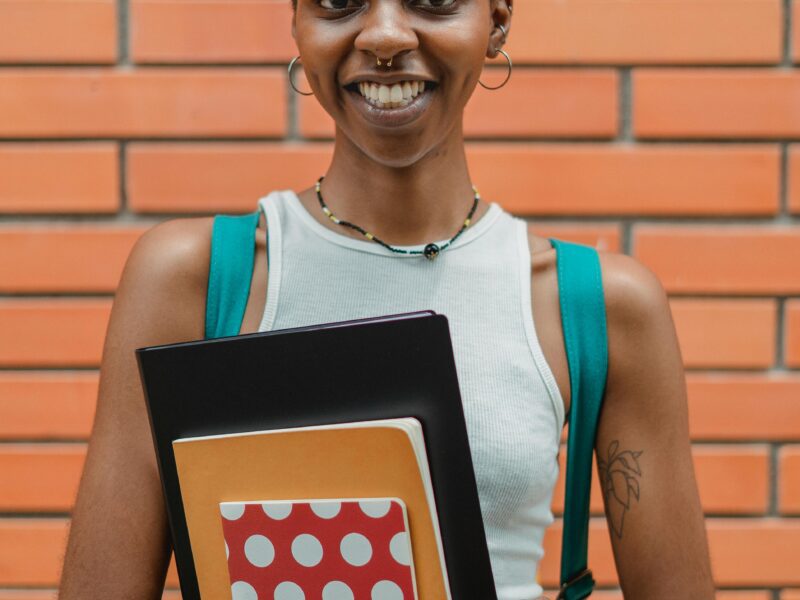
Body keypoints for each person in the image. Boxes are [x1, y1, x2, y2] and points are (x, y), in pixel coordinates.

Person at [58, 1, 715, 598]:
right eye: (338, 2)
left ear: (499, 22)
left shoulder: (595, 306)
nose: (384, 34)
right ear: (296, 24)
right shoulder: (195, 282)